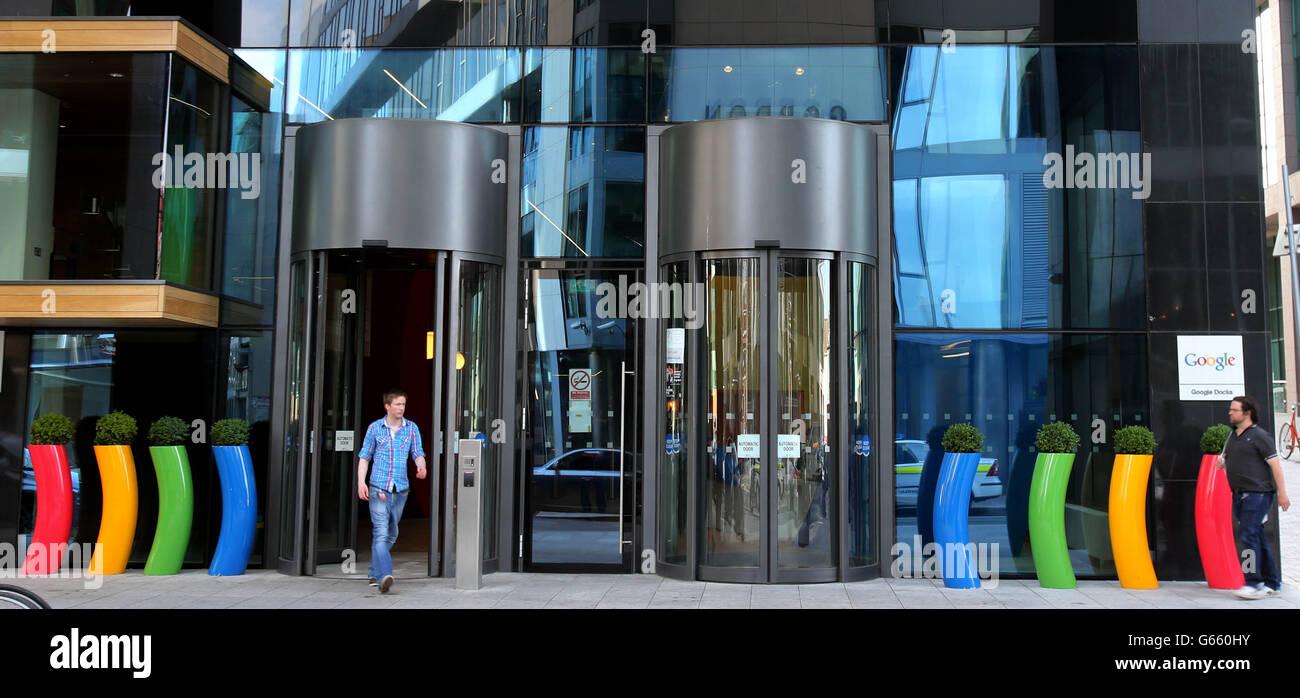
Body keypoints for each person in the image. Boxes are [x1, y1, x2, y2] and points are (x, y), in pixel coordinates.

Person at [1216, 395, 1290, 599]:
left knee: (1248, 535)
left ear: (1247, 413)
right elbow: (1227, 458)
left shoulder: (1259, 436)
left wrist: (1282, 493)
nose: (1230, 413)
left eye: (1234, 410)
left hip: (1257, 494)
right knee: (1256, 536)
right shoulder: (1233, 436)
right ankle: (1272, 582)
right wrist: (1222, 462)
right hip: (1239, 495)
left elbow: (1275, 465)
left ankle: (1252, 582)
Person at [357, 389, 427, 593]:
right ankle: (384, 575)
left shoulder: (411, 428)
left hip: (400, 489)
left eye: (403, 404)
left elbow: (418, 453)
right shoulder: (374, 428)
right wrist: (361, 482)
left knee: (392, 533)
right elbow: (364, 457)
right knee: (380, 532)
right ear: (387, 406)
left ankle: (373, 571)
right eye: (397, 404)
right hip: (378, 487)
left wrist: (421, 466)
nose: (401, 408)